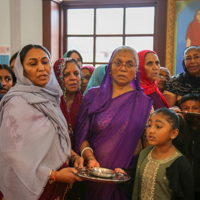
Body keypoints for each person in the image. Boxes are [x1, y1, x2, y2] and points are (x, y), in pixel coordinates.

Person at [0, 44, 84, 200]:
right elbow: (11, 154)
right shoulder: (17, 103)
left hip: (57, 186)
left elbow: (56, 139)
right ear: (21, 70)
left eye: (45, 62)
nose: (41, 68)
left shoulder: (51, 99)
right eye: (33, 64)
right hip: (33, 187)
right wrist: (54, 175)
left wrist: (73, 156)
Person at [74, 46, 153, 200]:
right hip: (94, 173)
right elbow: (81, 135)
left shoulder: (144, 104)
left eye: (130, 64)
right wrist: (89, 158)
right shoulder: (92, 96)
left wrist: (138, 174)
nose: (123, 68)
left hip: (126, 176)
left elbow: (148, 143)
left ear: (136, 70)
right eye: (118, 63)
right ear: (109, 67)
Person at [117, 108, 194, 200]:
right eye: (149, 125)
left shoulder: (180, 163)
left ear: (173, 133)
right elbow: (136, 180)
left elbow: (187, 195)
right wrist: (124, 175)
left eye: (158, 126)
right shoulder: (144, 154)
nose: (151, 130)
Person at [173, 94, 200, 200]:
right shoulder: (178, 131)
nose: (190, 111)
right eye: (186, 108)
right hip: (182, 185)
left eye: (195, 108)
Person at [53, 58, 83, 150]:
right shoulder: (52, 103)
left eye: (76, 74)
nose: (73, 78)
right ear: (58, 77)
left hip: (81, 155)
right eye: (66, 75)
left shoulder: (86, 102)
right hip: (56, 153)